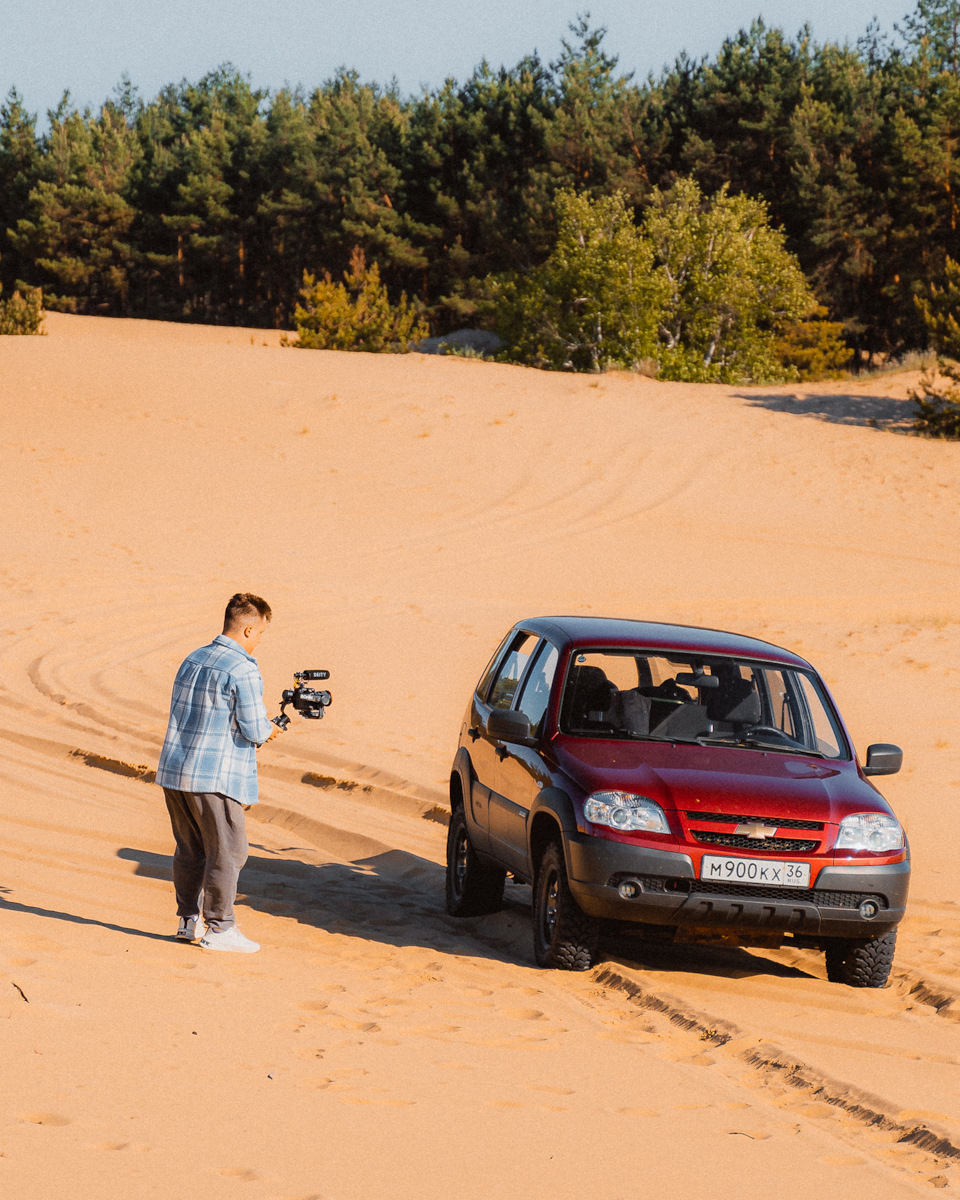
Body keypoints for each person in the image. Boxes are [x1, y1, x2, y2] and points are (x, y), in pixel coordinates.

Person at [156, 593, 282, 953]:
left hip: (176, 770)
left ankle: (187, 921)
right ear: (247, 628)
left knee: (190, 849)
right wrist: (271, 729)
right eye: (259, 633)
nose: (259, 641)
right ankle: (220, 928)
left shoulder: (192, 658)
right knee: (228, 850)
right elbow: (255, 730)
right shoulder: (242, 668)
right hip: (213, 775)